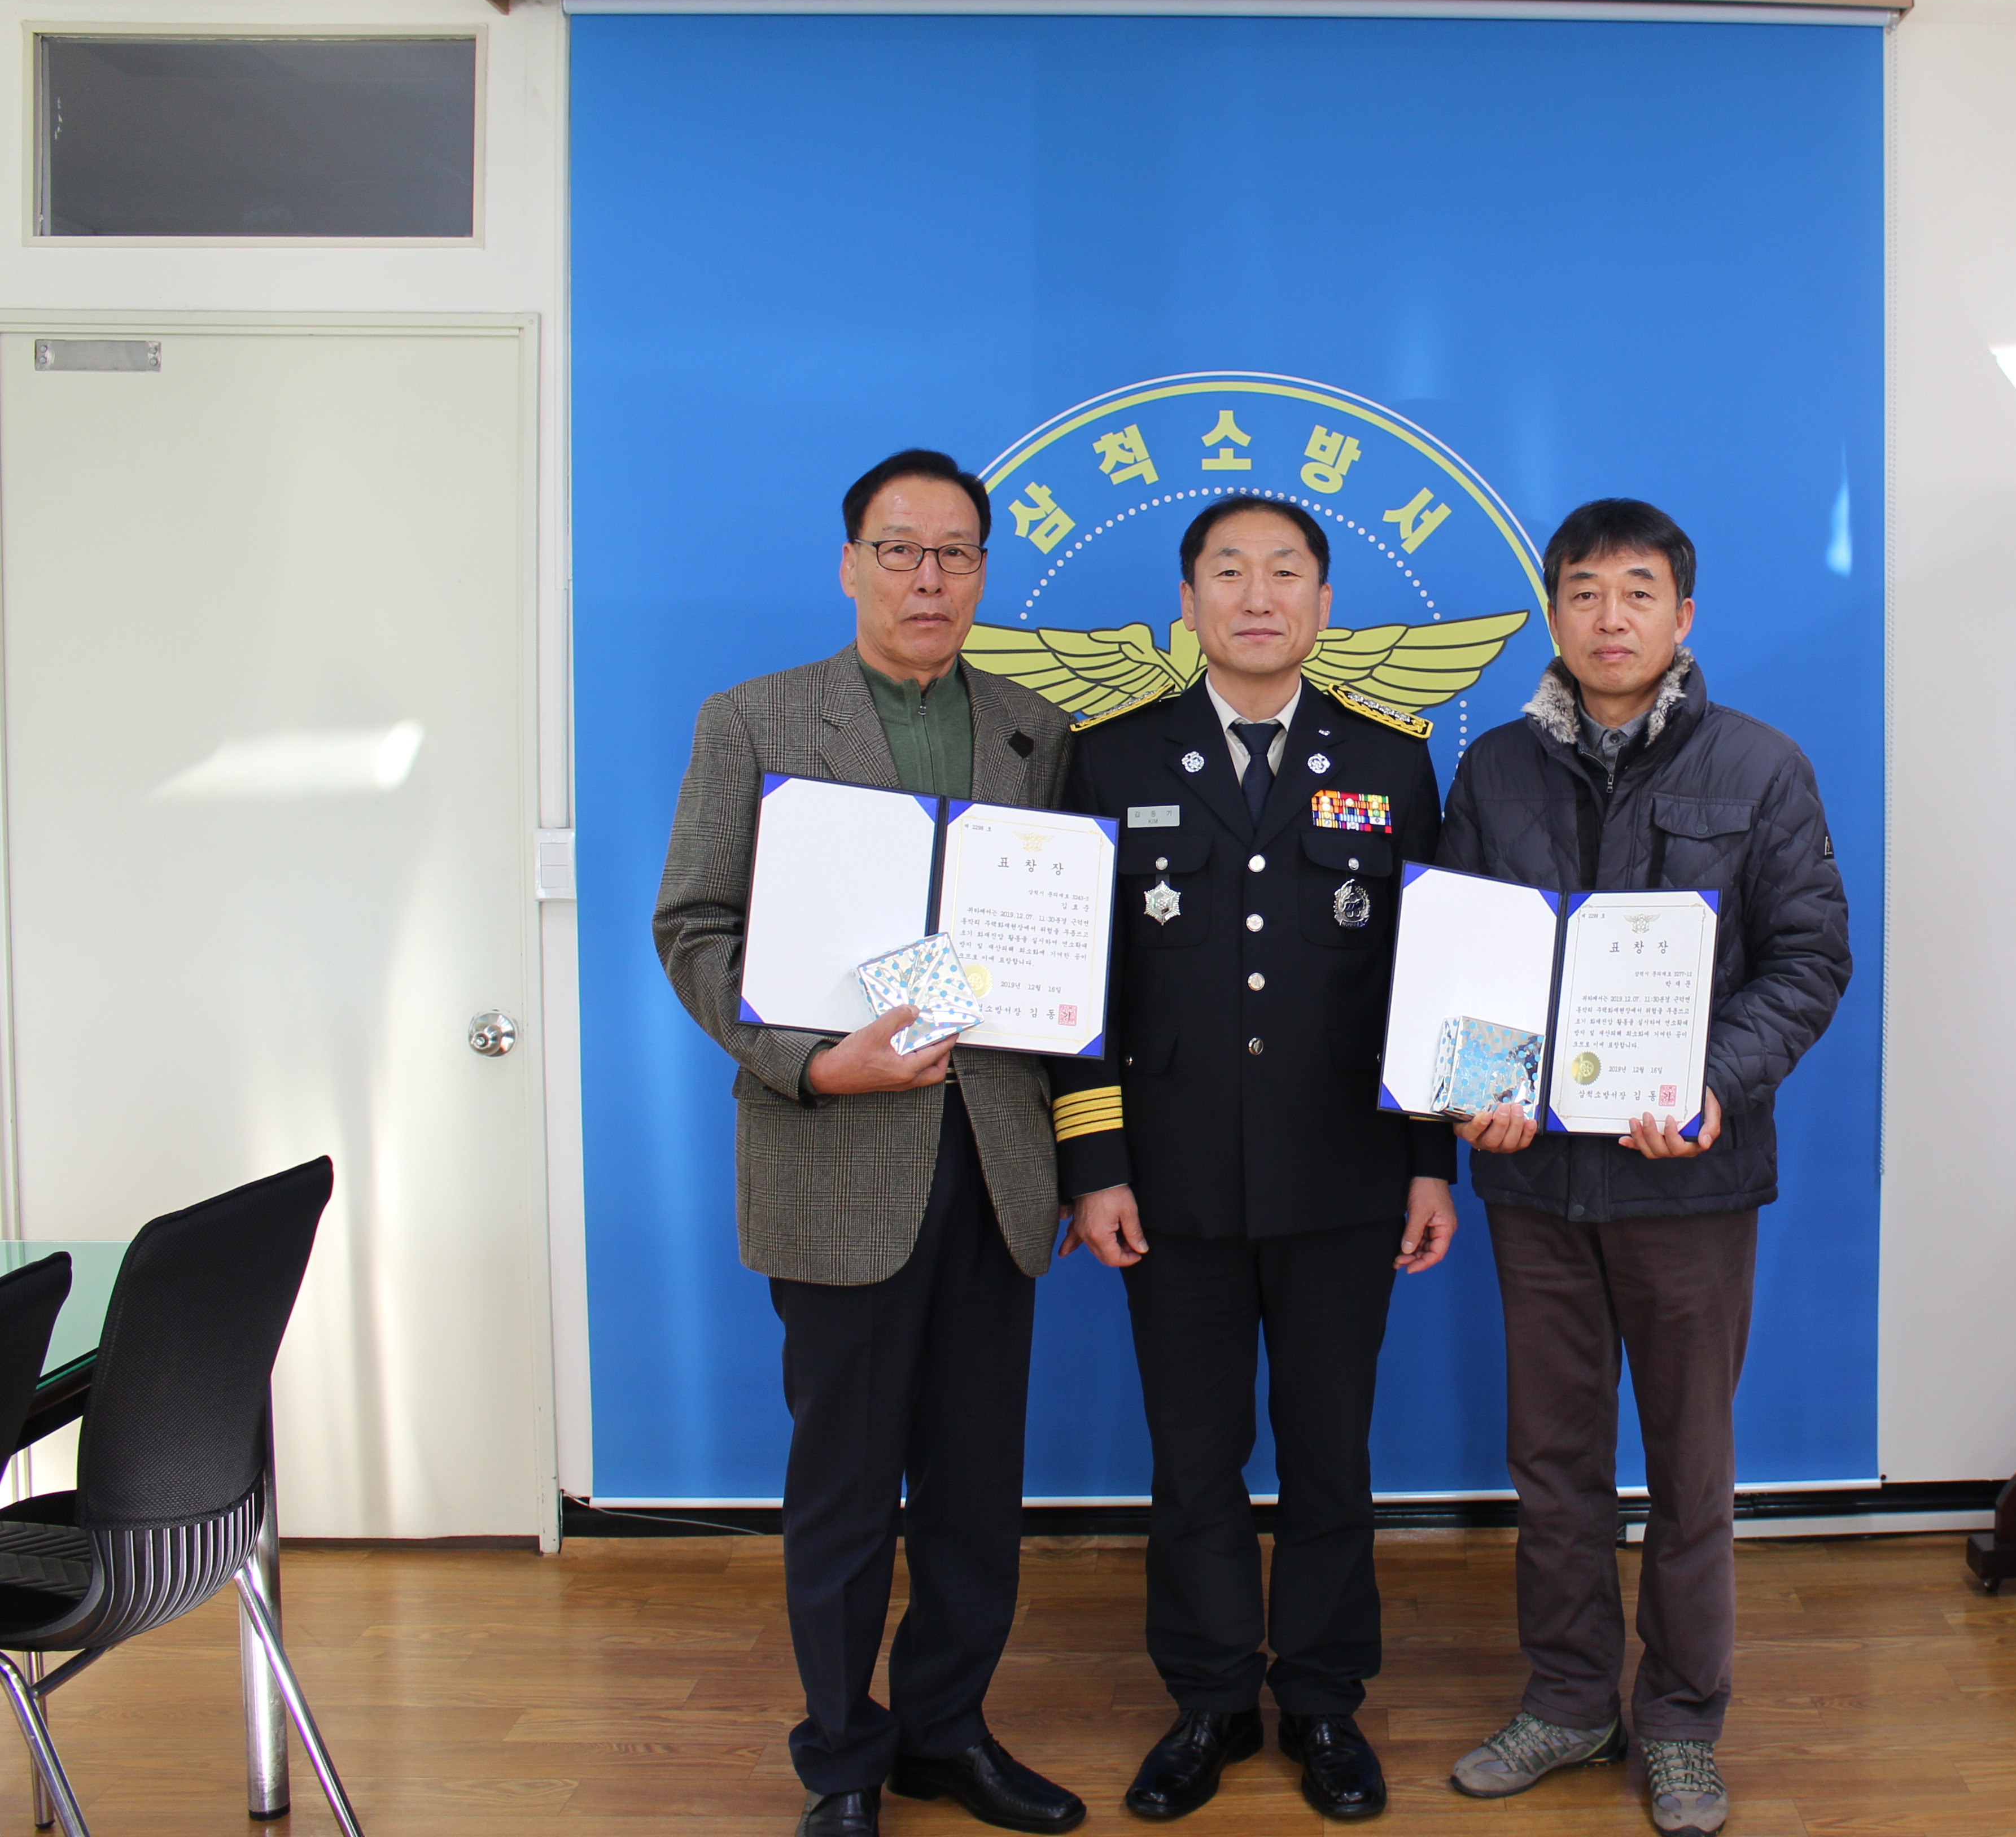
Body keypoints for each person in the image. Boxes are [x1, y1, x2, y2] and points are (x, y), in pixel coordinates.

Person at [654, 449, 1109, 1837]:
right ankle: (843, 1760)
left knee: (975, 1488)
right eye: (901, 551)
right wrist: (810, 1061)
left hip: (997, 1159)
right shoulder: (756, 720)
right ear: (850, 563)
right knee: (845, 1491)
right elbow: (693, 927)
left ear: (984, 571)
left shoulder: (1037, 730)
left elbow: (1065, 954)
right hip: (838, 1156)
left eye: (956, 553)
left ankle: (946, 1732)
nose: (930, 579)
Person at [1435, 499, 1851, 1837]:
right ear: (1553, 613)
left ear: (1683, 615)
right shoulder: (1495, 768)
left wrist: (1712, 1083)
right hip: (1537, 1185)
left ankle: (1679, 1722)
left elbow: (1811, 959)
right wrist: (1481, 1088)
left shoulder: (1760, 765)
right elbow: (1462, 954)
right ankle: (1569, 1701)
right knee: (1553, 1463)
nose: (1609, 618)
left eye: (1637, 591)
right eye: (1584, 592)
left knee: (1689, 1468)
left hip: (1689, 1184)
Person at [1048, 494, 1459, 1824]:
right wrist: (1093, 1167)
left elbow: (1429, 981)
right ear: (1189, 603)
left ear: (1325, 605)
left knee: (1332, 1455)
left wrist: (1431, 1164)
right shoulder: (1109, 758)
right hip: (1168, 1182)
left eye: (1287, 571)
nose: (1259, 594)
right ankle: (1212, 1699)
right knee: (1195, 1458)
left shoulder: (1393, 762)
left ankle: (1325, 1701)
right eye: (1229, 571)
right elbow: (1078, 980)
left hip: (1346, 1176)